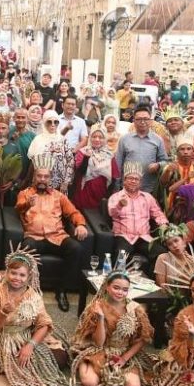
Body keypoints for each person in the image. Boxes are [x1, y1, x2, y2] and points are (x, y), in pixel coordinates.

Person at [0, 244, 67, 386]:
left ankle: (22, 360)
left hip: (25, 335)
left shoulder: (33, 296)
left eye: (22, 275)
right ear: (7, 273)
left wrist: (30, 345)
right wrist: (4, 312)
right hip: (2, 337)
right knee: (22, 364)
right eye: (13, 273)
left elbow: (44, 324)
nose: (17, 278)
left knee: (60, 358)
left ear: (29, 277)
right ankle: (8, 361)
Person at [17, 156, 91, 312]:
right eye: (39, 176)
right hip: (34, 237)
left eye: (46, 176)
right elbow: (18, 208)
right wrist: (27, 204)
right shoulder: (25, 194)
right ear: (34, 177)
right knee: (26, 248)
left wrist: (80, 224)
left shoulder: (59, 196)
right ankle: (28, 290)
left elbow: (73, 212)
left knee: (76, 249)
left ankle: (61, 290)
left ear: (50, 178)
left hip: (57, 237)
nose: (42, 179)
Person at [71, 271, 154, 386]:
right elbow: (99, 343)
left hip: (124, 352)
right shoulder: (96, 307)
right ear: (107, 287)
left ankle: (108, 373)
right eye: (116, 288)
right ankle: (84, 361)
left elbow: (144, 338)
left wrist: (125, 358)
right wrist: (101, 318)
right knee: (90, 383)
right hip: (99, 350)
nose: (120, 292)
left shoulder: (135, 309)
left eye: (125, 290)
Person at [108, 162, 169, 272]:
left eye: (136, 179)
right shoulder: (116, 197)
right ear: (124, 180)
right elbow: (112, 213)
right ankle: (118, 280)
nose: (133, 181)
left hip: (144, 237)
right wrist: (120, 205)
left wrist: (163, 224)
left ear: (140, 182)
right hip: (124, 236)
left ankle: (153, 280)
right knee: (120, 256)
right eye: (130, 178)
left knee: (162, 255)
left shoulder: (147, 197)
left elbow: (158, 213)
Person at [115, 106, 170, 194]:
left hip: (149, 188)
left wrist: (158, 165)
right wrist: (117, 186)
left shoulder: (157, 140)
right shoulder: (124, 139)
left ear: (150, 121)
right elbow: (118, 163)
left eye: (146, 119)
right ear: (134, 121)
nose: (143, 122)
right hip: (127, 187)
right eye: (139, 119)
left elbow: (165, 161)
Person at [71, 125, 119, 209]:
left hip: (101, 193)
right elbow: (79, 172)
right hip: (84, 192)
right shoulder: (83, 152)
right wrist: (86, 158)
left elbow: (114, 177)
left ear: (105, 139)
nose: (97, 139)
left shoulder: (109, 155)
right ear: (90, 138)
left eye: (100, 137)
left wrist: (108, 196)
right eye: (94, 137)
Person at [27, 110, 74, 193]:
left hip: (60, 186)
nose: (53, 124)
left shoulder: (63, 140)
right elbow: (33, 163)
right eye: (49, 122)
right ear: (44, 123)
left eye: (56, 122)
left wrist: (66, 182)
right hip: (41, 184)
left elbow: (70, 161)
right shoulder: (38, 140)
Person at [153, 224, 194, 288]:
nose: (174, 245)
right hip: (168, 294)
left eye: (176, 241)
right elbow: (161, 286)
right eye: (169, 244)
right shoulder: (163, 258)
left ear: (184, 240)